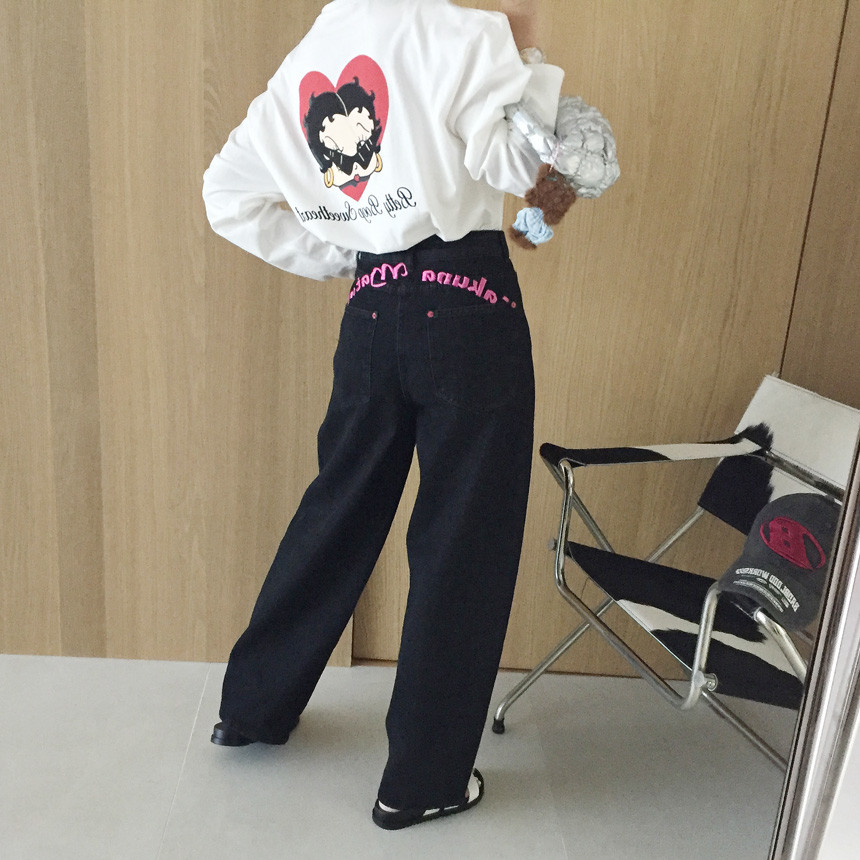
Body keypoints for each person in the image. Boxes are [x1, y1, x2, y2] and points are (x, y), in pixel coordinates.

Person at [201, 0, 563, 830]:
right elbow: (519, 165)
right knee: (462, 537)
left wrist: (345, 257)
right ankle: (423, 780)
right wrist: (527, 54)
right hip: (467, 297)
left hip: (371, 302)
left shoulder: (308, 57)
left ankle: (252, 707)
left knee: (338, 506)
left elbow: (227, 195)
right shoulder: (464, 33)